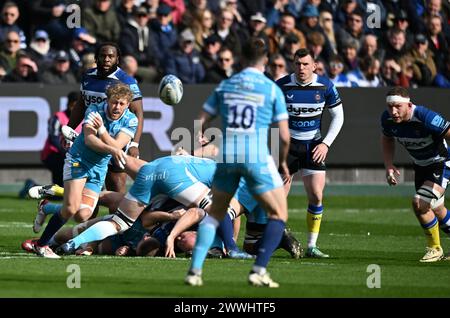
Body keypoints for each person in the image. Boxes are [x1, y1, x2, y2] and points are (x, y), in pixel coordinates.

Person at [185, 38, 290, 288]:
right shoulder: (271, 88)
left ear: (241, 59)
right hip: (255, 156)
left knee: (215, 214)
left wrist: (202, 133)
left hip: (227, 155)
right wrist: (283, 162)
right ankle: (259, 270)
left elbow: (200, 120)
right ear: (265, 60)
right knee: (279, 213)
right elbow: (284, 136)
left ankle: (195, 271)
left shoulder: (226, 85)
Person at [23, 83, 138, 258]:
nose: (117, 107)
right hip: (79, 160)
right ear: (107, 100)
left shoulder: (131, 120)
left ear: (128, 104)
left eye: (122, 104)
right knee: (70, 209)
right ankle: (42, 245)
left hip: (99, 167)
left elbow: (116, 145)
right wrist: (112, 147)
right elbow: (90, 141)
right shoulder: (94, 109)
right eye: (114, 102)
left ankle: (47, 206)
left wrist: (102, 131)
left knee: (82, 215)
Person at [276, 48, 344, 258]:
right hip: (288, 147)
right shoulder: (281, 85)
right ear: (293, 65)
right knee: (277, 198)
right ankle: (274, 237)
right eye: (298, 64)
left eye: (306, 64)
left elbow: (338, 117)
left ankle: (311, 246)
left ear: (314, 65)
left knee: (316, 195)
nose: (301, 68)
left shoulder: (325, 86)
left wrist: (325, 144)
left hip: (313, 146)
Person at [381, 87, 450, 262]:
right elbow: (387, 139)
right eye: (390, 107)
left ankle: (435, 248)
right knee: (437, 210)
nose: (393, 111)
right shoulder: (387, 119)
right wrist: (389, 166)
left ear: (409, 105)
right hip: (420, 167)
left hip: (440, 163)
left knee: (419, 203)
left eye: (397, 106)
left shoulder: (426, 117)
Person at [67, 42, 144, 199]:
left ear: (117, 59)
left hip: (117, 139)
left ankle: (116, 223)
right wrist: (69, 129)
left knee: (116, 187)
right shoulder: (87, 76)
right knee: (86, 190)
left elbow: (138, 112)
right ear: (96, 58)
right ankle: (87, 222)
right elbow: (81, 105)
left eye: (111, 56)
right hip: (91, 139)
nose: (107, 59)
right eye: (103, 56)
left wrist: (135, 144)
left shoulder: (127, 81)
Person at [40, 91, 82, 187]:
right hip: (54, 153)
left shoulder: (84, 118)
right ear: (69, 105)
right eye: (72, 106)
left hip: (75, 154)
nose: (74, 109)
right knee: (61, 173)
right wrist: (66, 152)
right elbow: (53, 138)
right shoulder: (58, 117)